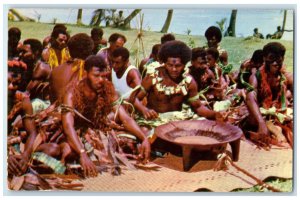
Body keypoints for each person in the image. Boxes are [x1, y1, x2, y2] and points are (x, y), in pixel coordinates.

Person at [61, 55, 150, 177]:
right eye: (96, 76)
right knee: (67, 152)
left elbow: (125, 118)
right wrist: (82, 153)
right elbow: (67, 125)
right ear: (86, 74)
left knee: (132, 143)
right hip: (75, 132)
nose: (101, 80)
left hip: (96, 130)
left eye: (104, 76)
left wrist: (144, 138)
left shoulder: (107, 89)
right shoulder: (72, 93)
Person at [134, 40, 223, 121]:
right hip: (154, 119)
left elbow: (198, 107)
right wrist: (144, 109)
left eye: (178, 66)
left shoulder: (188, 81)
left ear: (184, 64)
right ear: (165, 63)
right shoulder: (153, 76)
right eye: (170, 65)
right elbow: (134, 98)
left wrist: (215, 114)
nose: (174, 69)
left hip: (177, 120)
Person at [246, 42, 290, 145]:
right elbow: (250, 99)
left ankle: (273, 128)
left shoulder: (283, 77)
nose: (275, 63)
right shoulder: (256, 77)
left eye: (278, 59)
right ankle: (270, 127)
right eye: (271, 59)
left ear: (282, 59)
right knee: (253, 119)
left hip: (277, 112)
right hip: (259, 113)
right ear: (265, 58)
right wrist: (261, 123)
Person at [7, 61, 38, 177]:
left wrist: (25, 156)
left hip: (8, 142)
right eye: (7, 82)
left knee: (51, 156)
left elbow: (32, 132)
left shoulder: (22, 100)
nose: (10, 87)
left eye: (15, 84)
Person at [50, 33, 94, 103]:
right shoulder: (88, 71)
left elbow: (52, 99)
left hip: (55, 111)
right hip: (75, 112)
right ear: (90, 50)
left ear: (69, 49)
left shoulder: (55, 70)